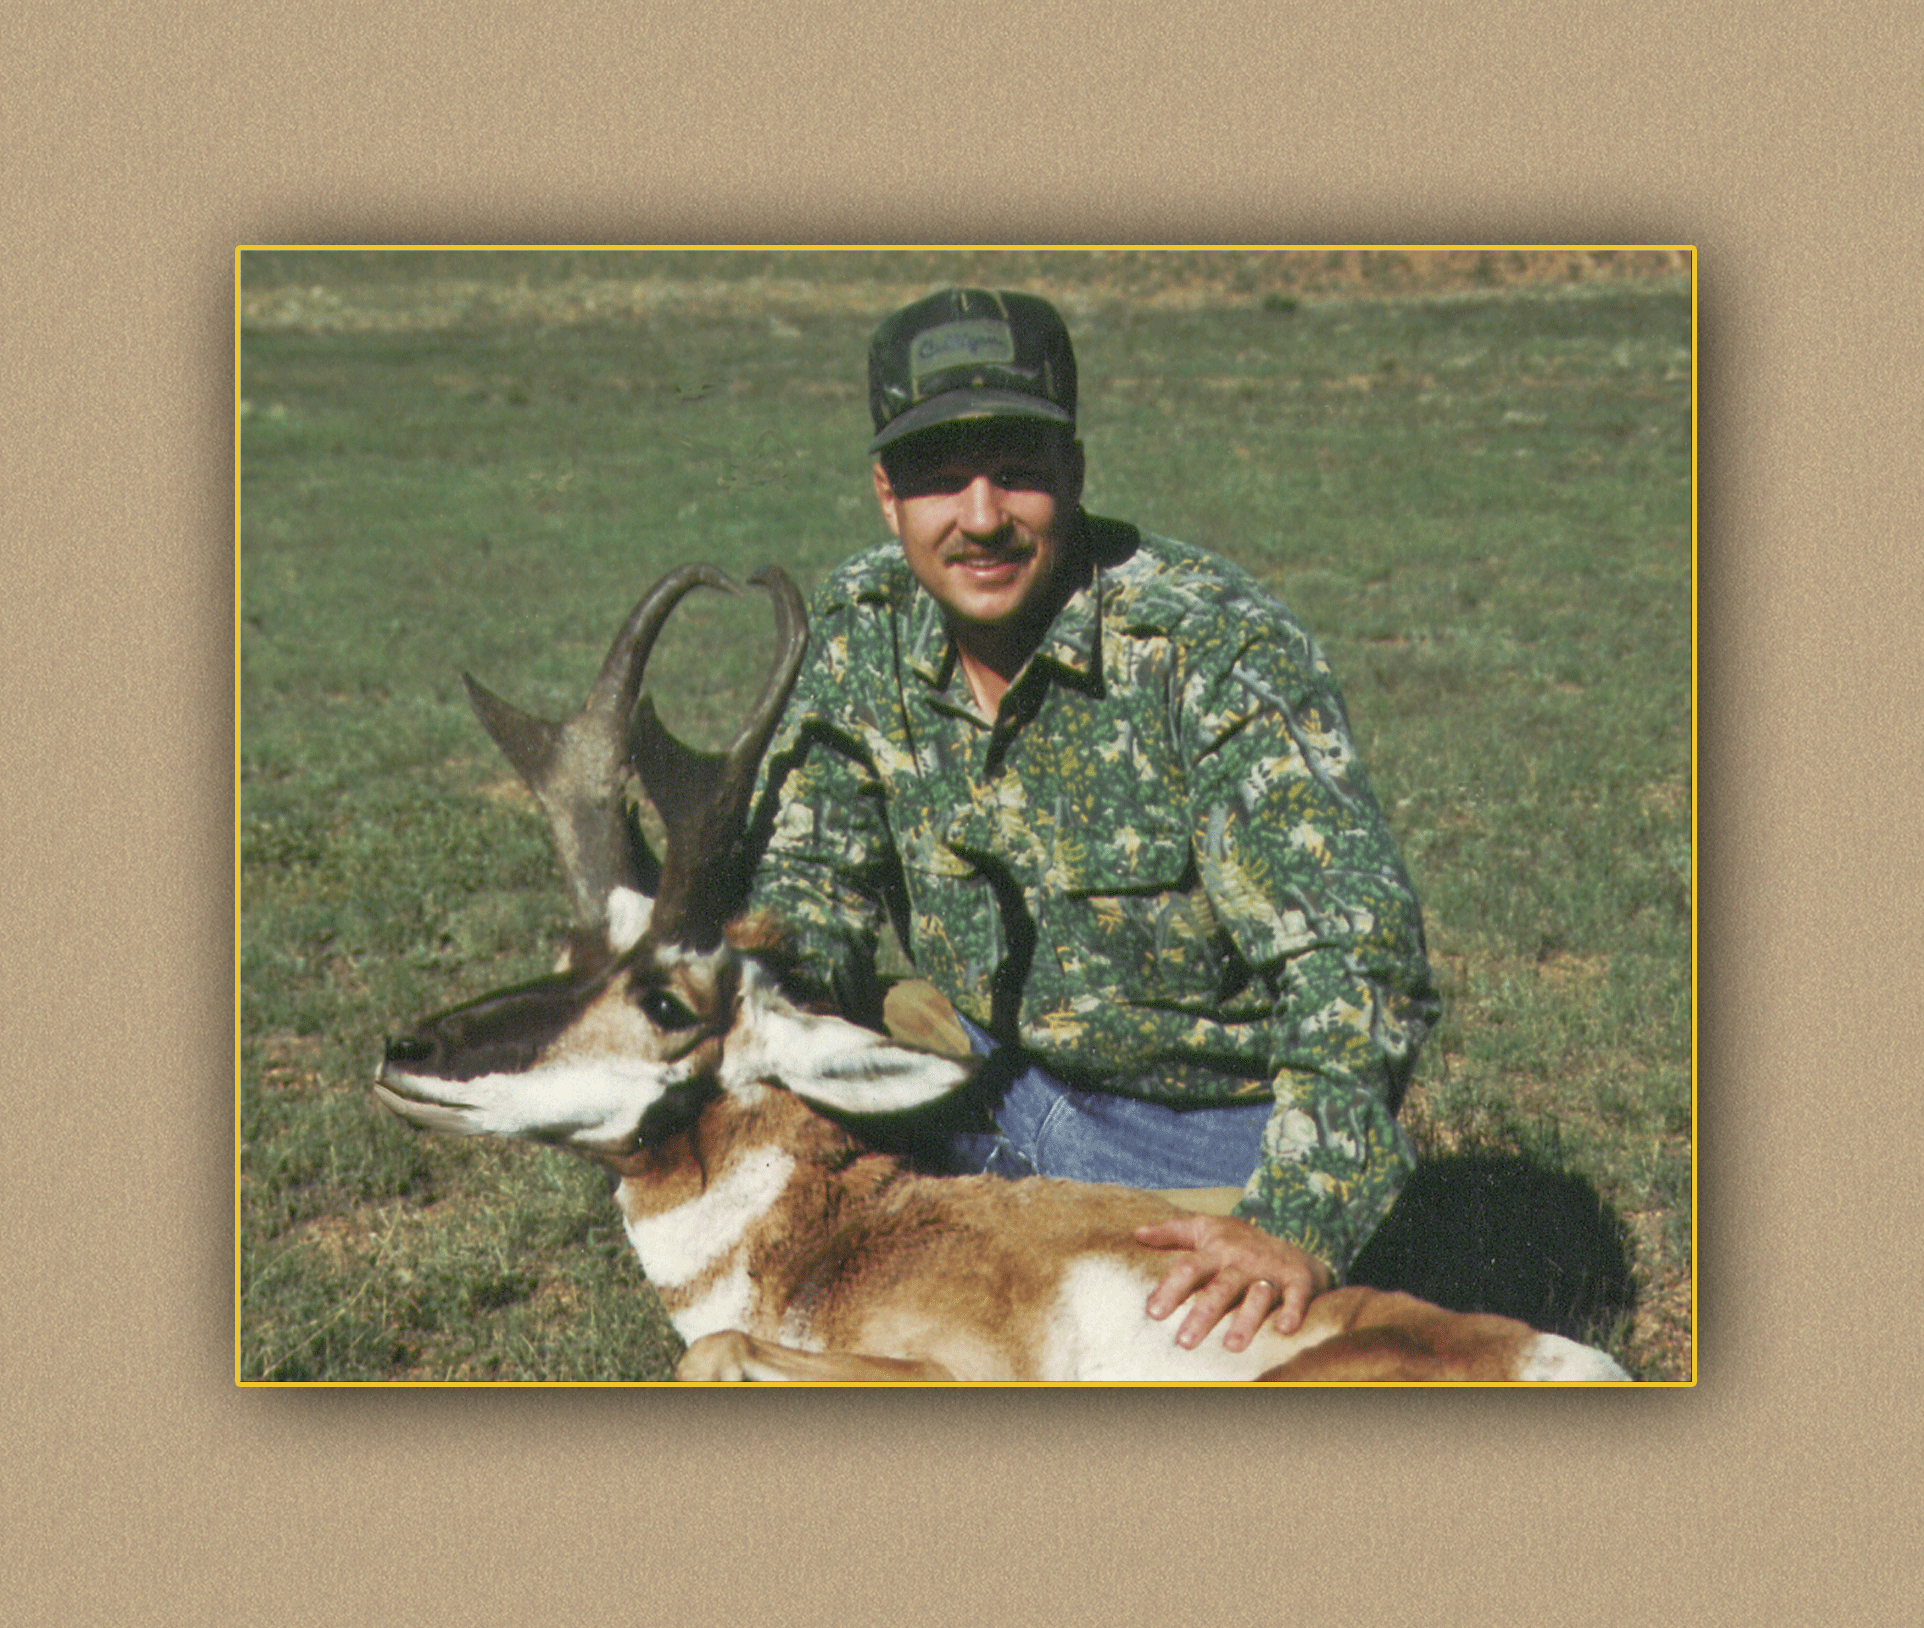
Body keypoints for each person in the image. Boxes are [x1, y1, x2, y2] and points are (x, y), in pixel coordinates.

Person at [744, 287, 1439, 1355]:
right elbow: (809, 891)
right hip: (979, 1070)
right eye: (938, 474)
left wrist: (1295, 1219)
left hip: (1196, 1130)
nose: (980, 516)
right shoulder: (860, 627)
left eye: (1017, 467)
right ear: (887, 493)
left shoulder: (1210, 649)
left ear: (1073, 470)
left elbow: (1356, 956)